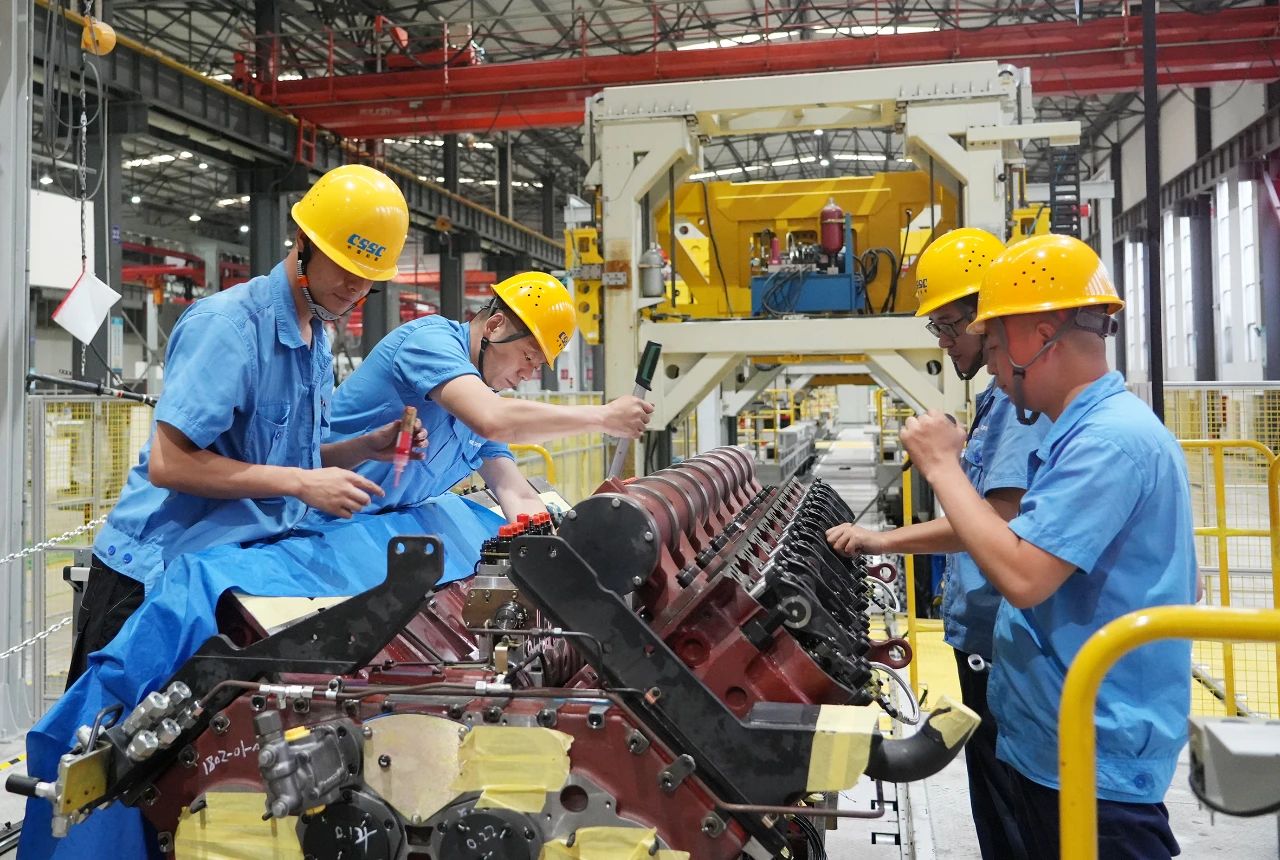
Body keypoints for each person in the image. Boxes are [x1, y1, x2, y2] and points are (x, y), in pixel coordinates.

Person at [899, 233, 1196, 859]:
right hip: (1055, 740)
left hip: (1094, 753)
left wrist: (942, 466)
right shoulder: (1078, 432)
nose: (993, 366)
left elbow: (1024, 576)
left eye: (995, 344)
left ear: (1037, 335)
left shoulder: (1107, 442)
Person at [68, 164, 424, 685]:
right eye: (345, 266)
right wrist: (301, 483)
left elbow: (282, 458)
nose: (357, 286)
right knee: (111, 731)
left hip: (223, 573)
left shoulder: (315, 338)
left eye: (370, 276)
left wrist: (369, 445)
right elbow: (170, 465)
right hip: (151, 578)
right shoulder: (229, 327)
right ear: (303, 242)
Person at [826, 227, 1040, 860]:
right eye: (937, 328)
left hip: (1005, 644)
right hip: (986, 638)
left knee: (1015, 812)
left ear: (990, 316)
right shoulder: (998, 399)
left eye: (950, 325)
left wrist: (881, 538)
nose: (944, 341)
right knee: (998, 804)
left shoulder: (1019, 407)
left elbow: (994, 520)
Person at [325, 271, 653, 520]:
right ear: (495, 326)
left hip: (370, 528)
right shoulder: (430, 343)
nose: (527, 375)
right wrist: (603, 417)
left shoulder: (482, 396)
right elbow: (493, 420)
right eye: (528, 357)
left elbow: (513, 491)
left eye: (537, 366)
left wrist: (555, 545)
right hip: (321, 526)